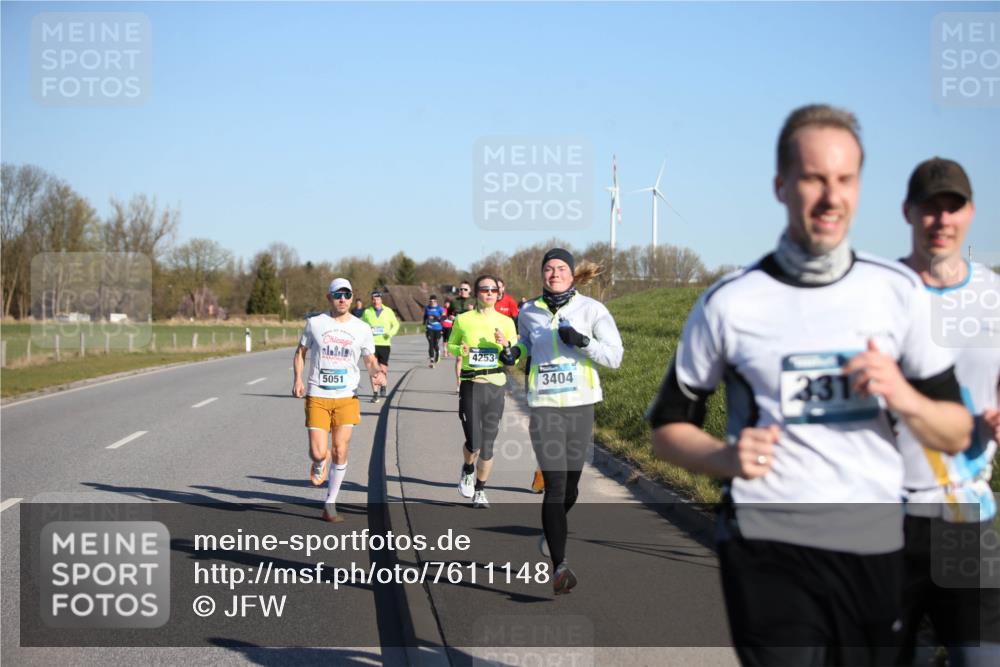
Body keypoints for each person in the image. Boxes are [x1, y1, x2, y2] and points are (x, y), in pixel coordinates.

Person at [646, 104, 972, 666]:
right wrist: (726, 456)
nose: (831, 196)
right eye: (814, 178)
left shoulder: (896, 292)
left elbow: (956, 431)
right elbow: (666, 430)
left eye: (845, 179)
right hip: (767, 541)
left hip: (872, 544)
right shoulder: (732, 301)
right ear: (781, 185)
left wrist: (902, 395)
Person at [894, 158, 1000, 666]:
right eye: (929, 209)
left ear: (970, 213)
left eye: (952, 207)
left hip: (968, 516)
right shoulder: (878, 294)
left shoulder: (995, 298)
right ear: (908, 213)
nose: (941, 220)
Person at [512, 248, 624, 594]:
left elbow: (615, 357)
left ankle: (552, 531)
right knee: (556, 487)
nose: (554, 273)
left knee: (571, 488)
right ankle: (559, 567)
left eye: (561, 268)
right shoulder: (528, 311)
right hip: (544, 407)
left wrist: (582, 341)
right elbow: (524, 345)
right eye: (548, 268)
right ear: (541, 275)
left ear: (572, 274)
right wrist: (512, 353)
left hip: (580, 406)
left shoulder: (592, 309)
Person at [293, 278, 386, 523]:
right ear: (329, 297)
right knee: (318, 452)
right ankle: (318, 463)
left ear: (352, 297)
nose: (342, 299)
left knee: (340, 449)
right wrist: (298, 379)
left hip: (346, 396)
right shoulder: (315, 323)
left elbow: (369, 358)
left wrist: (376, 373)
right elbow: (301, 353)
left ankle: (330, 502)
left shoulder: (361, 328)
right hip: (318, 395)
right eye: (337, 295)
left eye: (347, 294)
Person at [448, 275, 519, 508]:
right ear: (477, 293)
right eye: (484, 289)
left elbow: (512, 359)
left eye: (493, 289)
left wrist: (505, 345)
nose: (489, 293)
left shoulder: (507, 322)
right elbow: (450, 346)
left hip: (495, 384)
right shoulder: (463, 319)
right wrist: (462, 348)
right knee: (474, 441)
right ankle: (468, 468)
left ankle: (480, 490)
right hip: (471, 383)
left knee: (488, 444)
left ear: (499, 293)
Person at [360, 289, 400, 404]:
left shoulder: (388, 311)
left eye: (377, 299)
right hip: (371, 345)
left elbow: (396, 324)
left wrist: (390, 333)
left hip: (384, 344)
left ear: (381, 299)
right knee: (372, 369)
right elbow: (362, 326)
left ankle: (383, 385)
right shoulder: (367, 312)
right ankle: (375, 394)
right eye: (373, 299)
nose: (375, 301)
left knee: (383, 369)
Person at [452, 281, 475, 392]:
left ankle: (471, 381)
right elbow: (449, 314)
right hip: (458, 332)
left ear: (469, 291)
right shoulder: (454, 302)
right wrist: (451, 318)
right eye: (460, 289)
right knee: (459, 358)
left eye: (465, 289)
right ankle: (459, 383)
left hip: (471, 331)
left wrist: (472, 311)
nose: (462, 291)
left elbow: (480, 315)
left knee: (471, 357)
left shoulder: (474, 301)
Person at [423, 294, 444, 367]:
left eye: (433, 301)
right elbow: (425, 316)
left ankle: (437, 352)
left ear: (436, 301)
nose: (431, 303)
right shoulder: (427, 308)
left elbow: (443, 318)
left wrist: (435, 317)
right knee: (430, 344)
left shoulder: (440, 308)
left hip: (438, 329)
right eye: (430, 301)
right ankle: (431, 360)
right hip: (429, 328)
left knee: (435, 344)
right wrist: (424, 322)